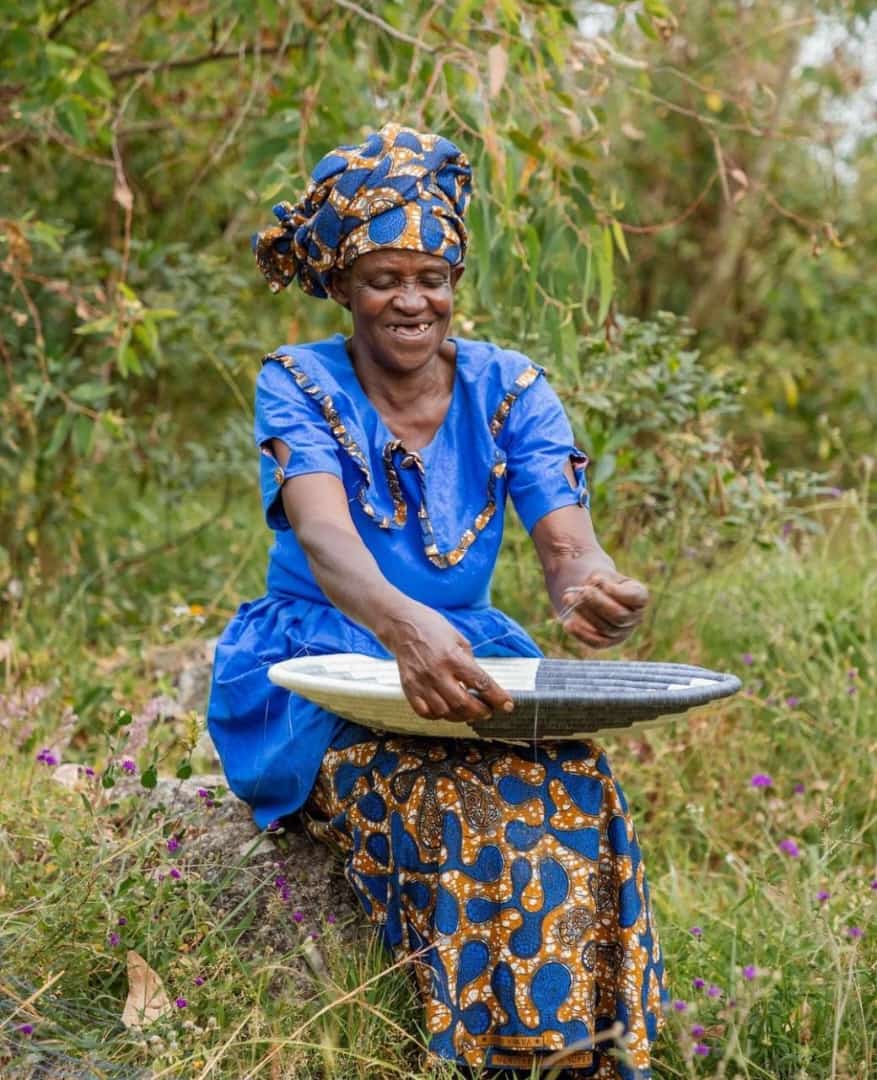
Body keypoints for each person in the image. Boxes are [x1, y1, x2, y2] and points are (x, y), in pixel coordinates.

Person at [207, 123, 666, 1078]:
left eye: (432, 277)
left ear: (455, 278)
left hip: (461, 652)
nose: (413, 301)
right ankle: (479, 1058)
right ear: (342, 286)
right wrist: (401, 624)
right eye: (384, 279)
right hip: (322, 665)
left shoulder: (511, 388)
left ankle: (583, 1057)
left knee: (577, 782)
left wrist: (589, 588)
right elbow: (326, 539)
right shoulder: (298, 380)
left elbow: (565, 537)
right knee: (448, 804)